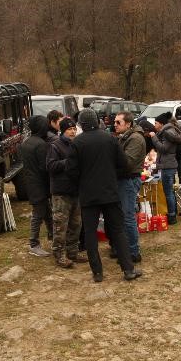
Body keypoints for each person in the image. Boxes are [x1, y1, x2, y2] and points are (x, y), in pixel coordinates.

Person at [68, 109, 142, 282]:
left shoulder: (77, 142)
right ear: (97, 121)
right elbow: (124, 164)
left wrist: (82, 182)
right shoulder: (110, 139)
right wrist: (110, 175)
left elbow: (71, 170)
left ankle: (97, 272)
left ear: (81, 124)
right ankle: (128, 269)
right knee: (118, 230)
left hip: (88, 194)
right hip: (110, 191)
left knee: (90, 233)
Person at [45, 117, 84, 268]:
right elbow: (50, 166)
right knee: (60, 225)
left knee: (76, 224)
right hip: (61, 193)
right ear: (62, 131)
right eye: (69, 129)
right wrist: (68, 162)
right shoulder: (55, 146)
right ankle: (59, 254)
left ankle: (72, 252)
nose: (73, 131)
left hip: (76, 191)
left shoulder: (76, 144)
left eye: (74, 129)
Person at [114, 111, 147, 264]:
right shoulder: (126, 136)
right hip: (124, 179)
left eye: (118, 122)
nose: (115, 125)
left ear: (128, 124)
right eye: (114, 122)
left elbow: (127, 162)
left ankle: (133, 252)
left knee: (128, 217)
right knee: (124, 216)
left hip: (129, 180)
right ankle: (125, 249)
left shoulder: (135, 138)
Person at [19, 115, 53, 257]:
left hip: (30, 182)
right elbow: (44, 167)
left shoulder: (26, 142)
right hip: (39, 184)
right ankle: (34, 244)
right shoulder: (40, 144)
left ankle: (53, 236)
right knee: (38, 214)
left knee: (47, 212)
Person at [149, 112, 181, 225]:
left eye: (156, 123)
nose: (155, 125)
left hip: (168, 165)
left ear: (161, 124)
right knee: (170, 191)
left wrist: (154, 138)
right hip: (167, 164)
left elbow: (164, 149)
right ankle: (173, 213)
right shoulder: (168, 131)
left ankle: (172, 216)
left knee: (168, 192)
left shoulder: (167, 133)